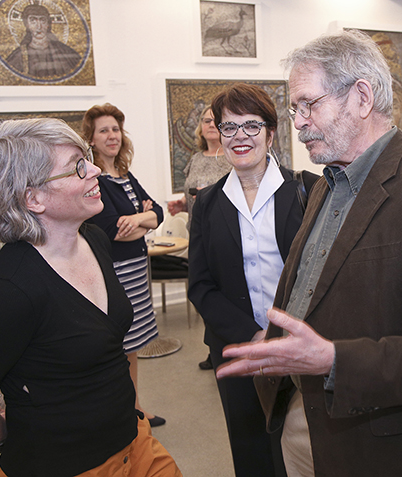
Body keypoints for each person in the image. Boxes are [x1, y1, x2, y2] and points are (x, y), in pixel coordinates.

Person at [217, 30, 402, 476]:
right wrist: (279, 343)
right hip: (304, 420)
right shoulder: (326, 184)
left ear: (361, 97)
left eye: (309, 104)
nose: (298, 122)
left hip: (381, 443)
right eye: (294, 109)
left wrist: (332, 360)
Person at [0, 118, 181, 477]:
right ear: (33, 198)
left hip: (135, 442)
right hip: (65, 466)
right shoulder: (10, 290)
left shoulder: (94, 240)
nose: (95, 170)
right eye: (78, 168)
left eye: (88, 158)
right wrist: (3, 437)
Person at [188, 83, 318, 477]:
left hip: (303, 343)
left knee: (308, 449)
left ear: (271, 133)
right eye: (229, 127)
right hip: (238, 349)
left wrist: (281, 337)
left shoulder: (309, 190)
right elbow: (201, 285)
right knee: (252, 452)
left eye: (250, 125)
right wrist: (253, 336)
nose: (239, 136)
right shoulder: (207, 203)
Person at [82, 104, 165, 428]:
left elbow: (157, 211)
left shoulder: (125, 176)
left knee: (131, 348)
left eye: (115, 129)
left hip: (137, 272)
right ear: (91, 137)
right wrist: (142, 220)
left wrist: (140, 219)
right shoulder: (94, 179)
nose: (112, 136)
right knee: (117, 348)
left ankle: (135, 407)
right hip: (114, 275)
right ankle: (120, 414)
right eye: (103, 130)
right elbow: (110, 228)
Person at [168, 105, 233, 371]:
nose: (210, 125)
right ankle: (212, 345)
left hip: (224, 235)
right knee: (202, 290)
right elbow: (191, 196)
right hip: (198, 233)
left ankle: (228, 343)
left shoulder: (231, 157)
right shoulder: (194, 159)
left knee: (225, 292)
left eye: (215, 121)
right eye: (205, 120)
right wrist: (182, 206)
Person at [6, 4, 81, 79]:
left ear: (48, 24)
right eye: (33, 20)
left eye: (43, 20)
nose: (39, 26)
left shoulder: (65, 52)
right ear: (27, 25)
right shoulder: (18, 56)